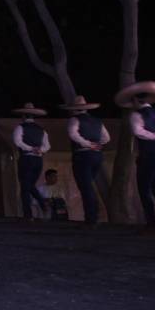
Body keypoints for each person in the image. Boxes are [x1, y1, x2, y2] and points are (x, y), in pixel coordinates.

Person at [114, 81, 155, 231]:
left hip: (149, 156)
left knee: (144, 189)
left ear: (135, 100)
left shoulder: (136, 115)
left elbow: (138, 132)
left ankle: (153, 224)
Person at [60, 96, 110, 226]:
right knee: (88, 185)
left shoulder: (74, 120)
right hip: (97, 156)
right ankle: (93, 215)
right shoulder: (97, 121)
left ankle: (91, 218)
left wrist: (88, 144)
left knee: (86, 187)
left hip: (83, 156)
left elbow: (73, 134)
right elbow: (106, 138)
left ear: (74, 109)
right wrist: (97, 144)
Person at [12, 103, 51, 221]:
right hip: (38, 160)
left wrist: (30, 148)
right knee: (29, 185)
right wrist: (40, 150)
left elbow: (17, 142)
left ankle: (28, 215)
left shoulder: (20, 127)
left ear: (23, 116)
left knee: (25, 187)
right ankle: (42, 204)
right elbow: (47, 146)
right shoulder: (41, 130)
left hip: (27, 158)